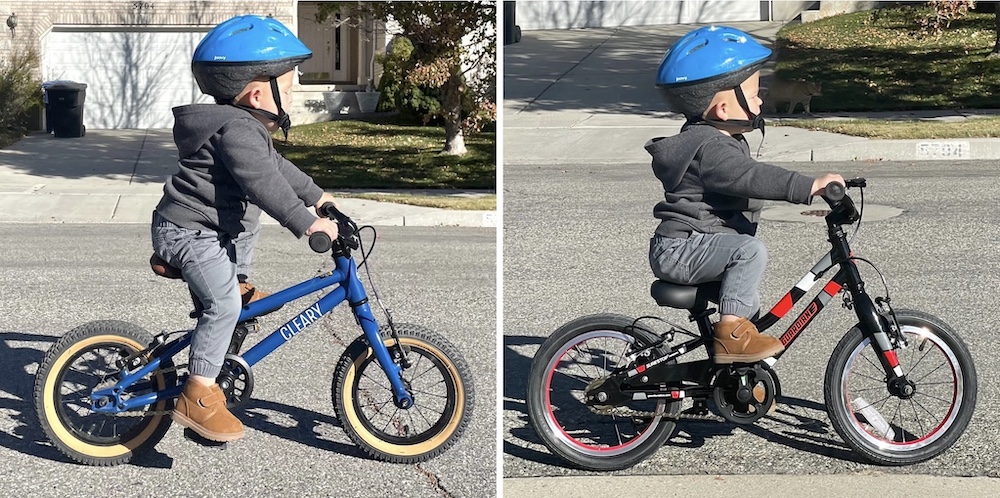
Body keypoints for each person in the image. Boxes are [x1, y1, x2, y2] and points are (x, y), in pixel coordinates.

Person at [151, 15, 339, 442]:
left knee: (246, 222)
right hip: (186, 232)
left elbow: (276, 168)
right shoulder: (237, 132)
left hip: (206, 228)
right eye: (288, 89)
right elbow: (264, 184)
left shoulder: (244, 128)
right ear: (258, 94)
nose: (291, 98)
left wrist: (316, 195)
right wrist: (307, 224)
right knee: (223, 308)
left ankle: (235, 282)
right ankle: (197, 394)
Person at [647, 26, 844, 364]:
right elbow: (749, 177)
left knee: (747, 303)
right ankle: (732, 342)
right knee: (749, 252)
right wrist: (808, 185)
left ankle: (736, 378)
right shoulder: (710, 149)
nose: (760, 100)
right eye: (753, 95)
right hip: (681, 248)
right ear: (723, 109)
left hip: (697, 244)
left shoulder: (721, 140)